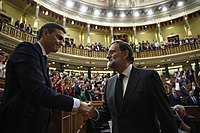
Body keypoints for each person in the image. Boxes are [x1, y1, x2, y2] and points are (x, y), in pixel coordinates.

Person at [0, 22, 93, 133]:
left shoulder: (43, 58)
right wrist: (78, 105)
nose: (62, 43)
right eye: (59, 38)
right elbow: (37, 91)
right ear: (45, 34)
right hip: (19, 123)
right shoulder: (27, 50)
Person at [85, 40, 178, 133]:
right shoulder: (110, 82)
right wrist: (94, 113)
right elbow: (107, 113)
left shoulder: (148, 77)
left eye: (112, 52)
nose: (107, 56)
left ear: (125, 54)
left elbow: (165, 114)